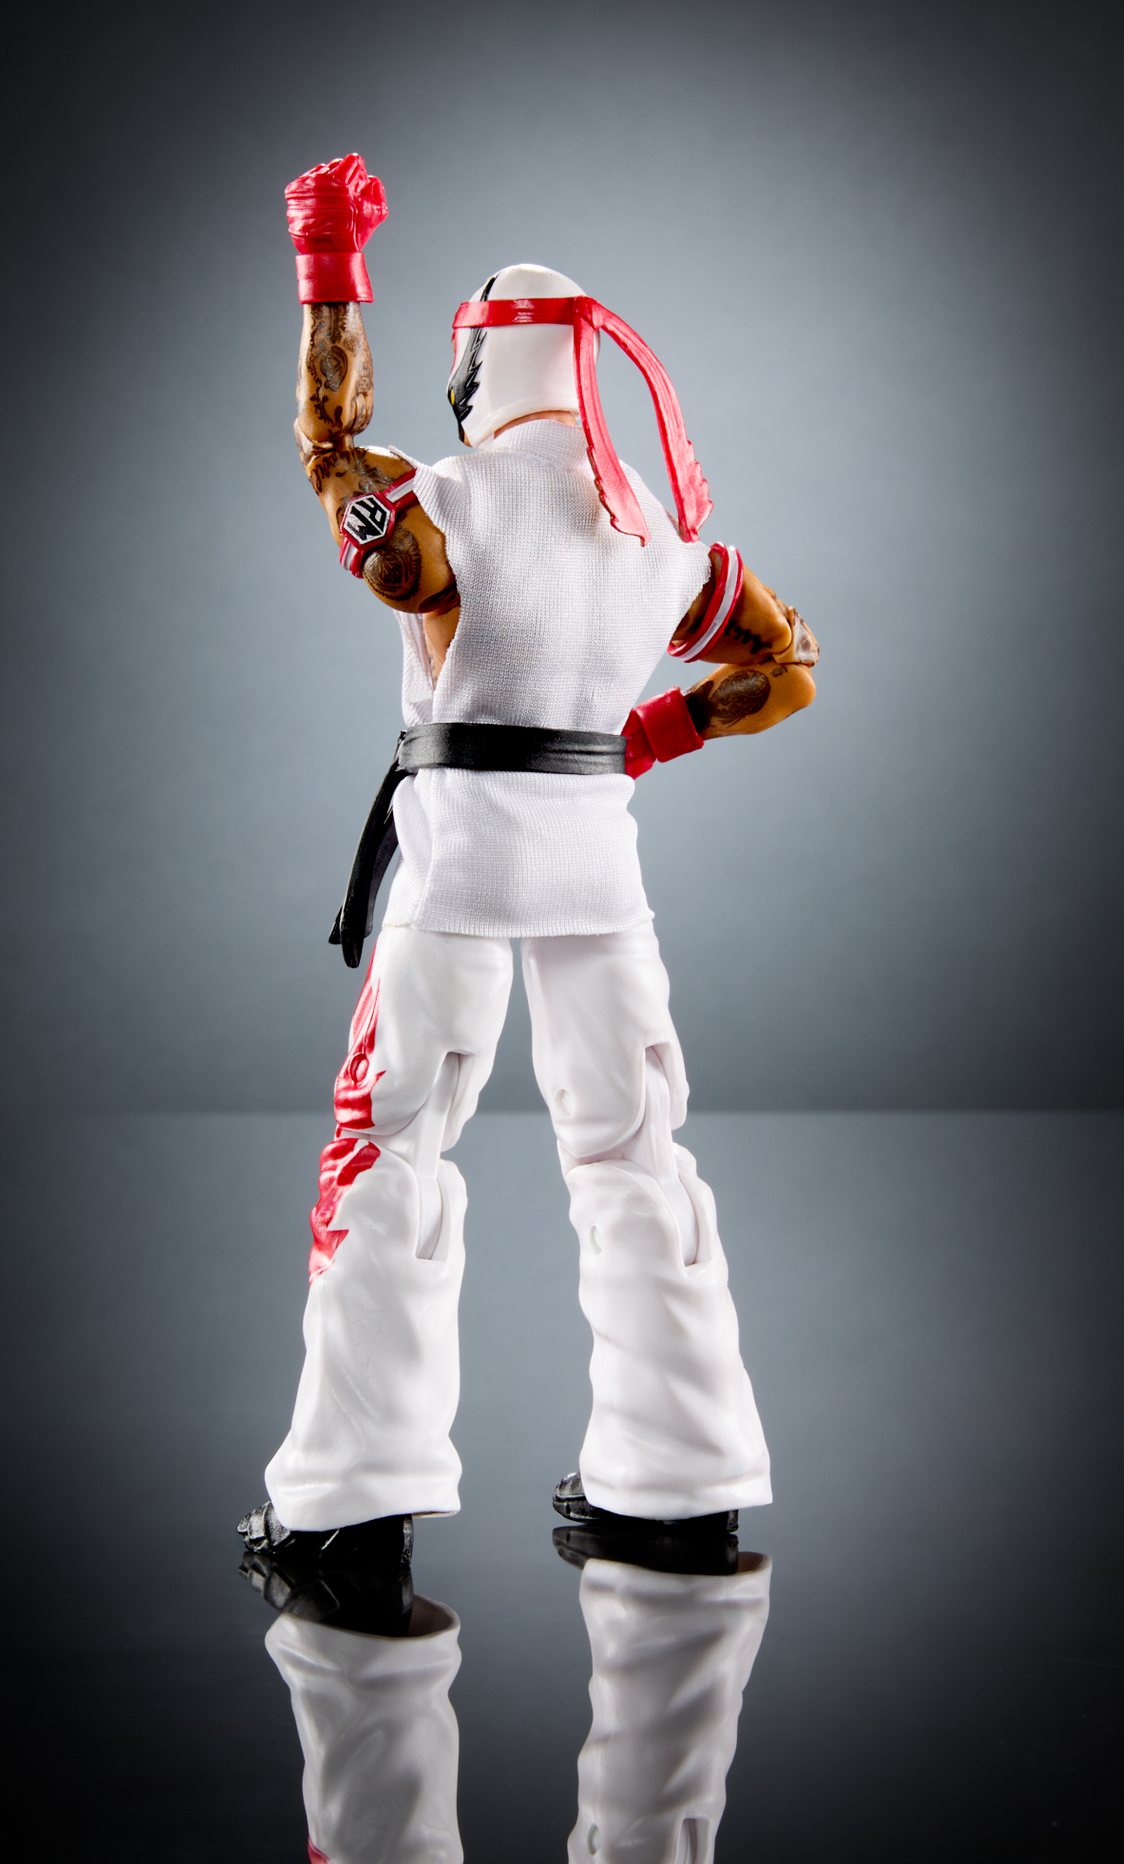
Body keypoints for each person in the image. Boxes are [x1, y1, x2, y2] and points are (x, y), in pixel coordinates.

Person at [240, 154, 818, 1566]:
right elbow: (788, 668)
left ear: (478, 367)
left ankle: (350, 1500)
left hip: (456, 871)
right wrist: (638, 741)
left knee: (389, 1152)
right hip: (597, 870)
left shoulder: (455, 498)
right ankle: (680, 1477)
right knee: (636, 1153)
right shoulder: (654, 532)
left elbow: (334, 463)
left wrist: (329, 272)